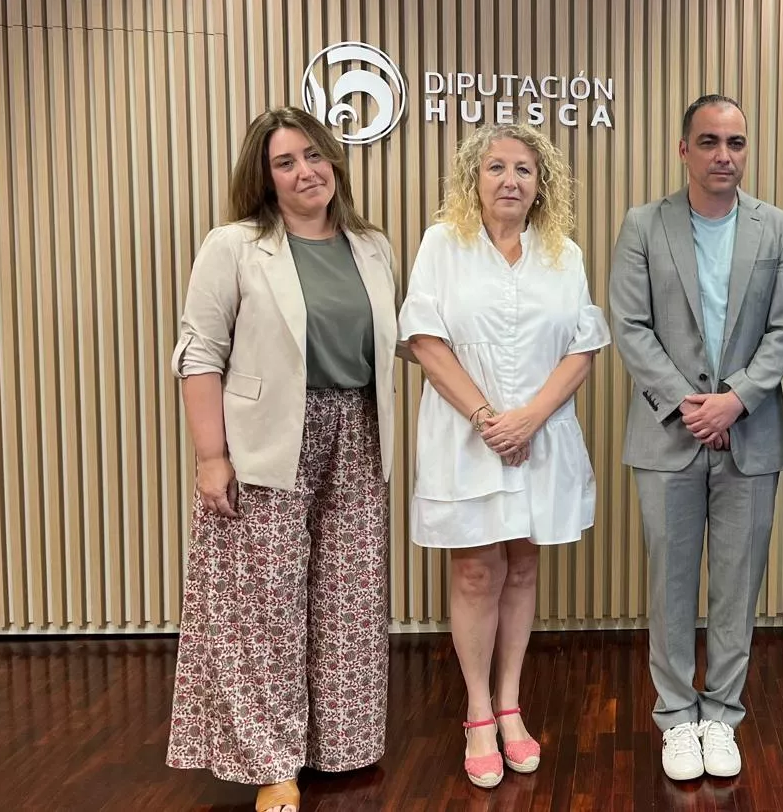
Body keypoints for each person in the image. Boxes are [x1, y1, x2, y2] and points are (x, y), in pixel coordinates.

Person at [166, 106, 401, 812]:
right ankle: (274, 763)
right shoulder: (234, 245)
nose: (306, 172)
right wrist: (212, 456)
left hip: (356, 430)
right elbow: (198, 353)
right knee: (263, 606)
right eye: (285, 162)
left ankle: (341, 743)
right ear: (264, 179)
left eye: (314, 156)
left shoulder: (372, 246)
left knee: (349, 599)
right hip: (267, 438)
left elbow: (401, 340)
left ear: (335, 161)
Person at [398, 123, 610, 789]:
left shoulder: (563, 253)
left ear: (540, 182)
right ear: (475, 180)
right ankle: (478, 712)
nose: (511, 180)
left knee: (522, 566)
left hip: (541, 436)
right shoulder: (443, 245)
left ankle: (511, 701)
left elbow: (583, 345)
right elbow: (425, 339)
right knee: (475, 572)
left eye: (524, 168)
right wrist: (490, 419)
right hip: (468, 435)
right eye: (496, 168)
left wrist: (531, 418)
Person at [608, 95, 783, 782]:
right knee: (669, 585)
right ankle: (675, 718)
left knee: (737, 586)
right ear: (684, 150)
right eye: (710, 141)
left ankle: (721, 716)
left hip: (750, 438)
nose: (725, 154)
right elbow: (630, 325)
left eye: (737, 142)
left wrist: (737, 402)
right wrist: (693, 407)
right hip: (668, 436)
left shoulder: (778, 230)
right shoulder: (643, 225)